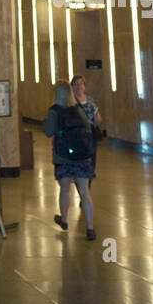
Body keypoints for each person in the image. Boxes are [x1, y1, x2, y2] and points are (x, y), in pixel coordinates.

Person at [42, 81, 98, 239]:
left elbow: (48, 131)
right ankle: (90, 228)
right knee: (84, 192)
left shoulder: (54, 111)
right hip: (81, 156)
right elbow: (88, 126)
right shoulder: (77, 108)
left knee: (65, 190)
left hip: (62, 156)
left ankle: (65, 220)